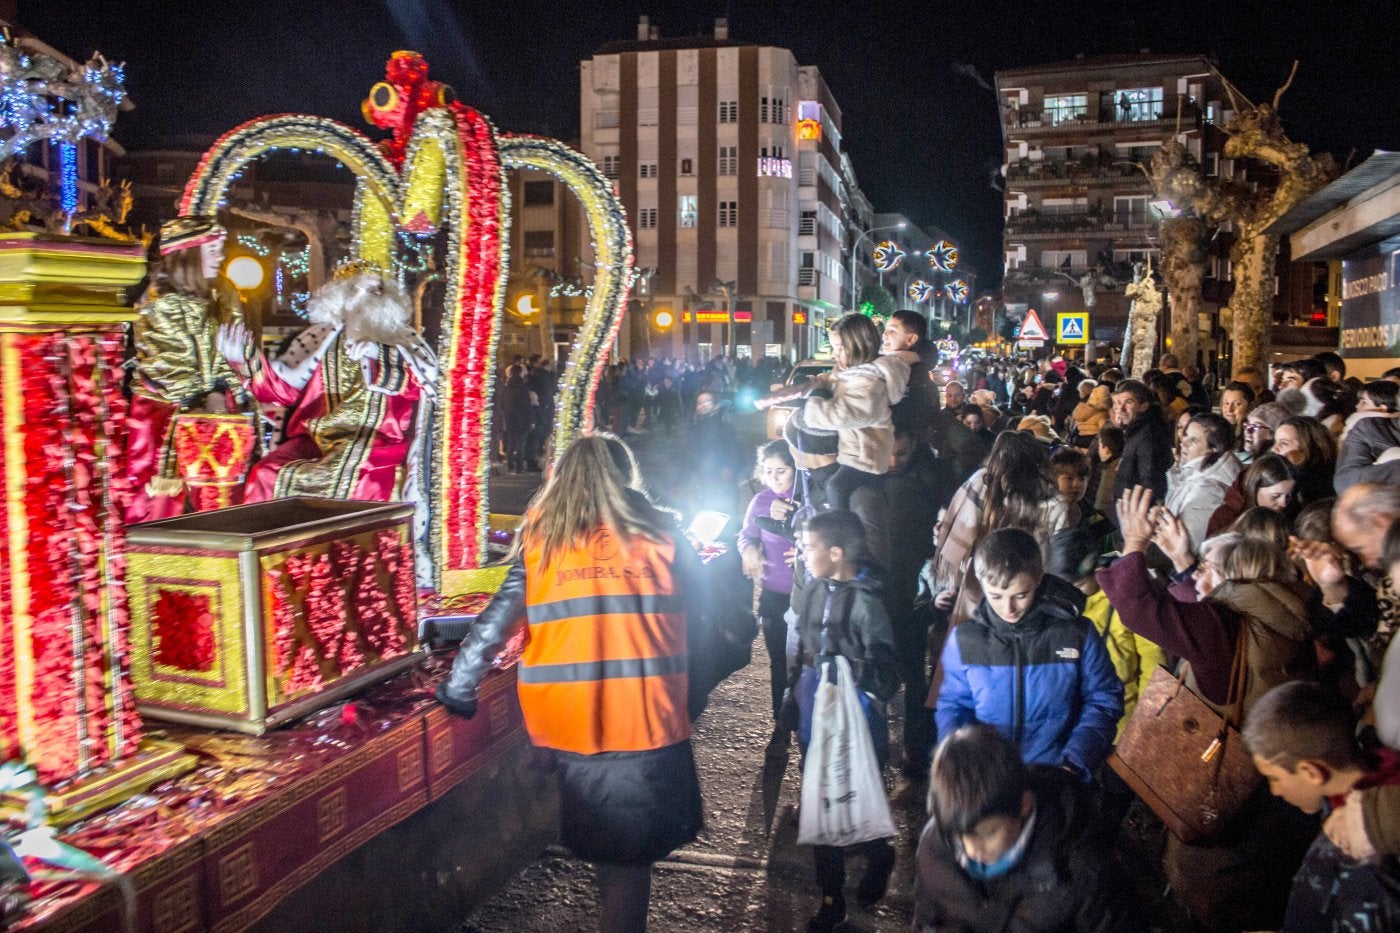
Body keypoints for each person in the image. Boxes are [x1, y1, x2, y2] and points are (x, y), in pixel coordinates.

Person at [436, 434, 703, 932]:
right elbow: (705, 613)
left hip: (568, 729)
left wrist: (460, 688)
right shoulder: (662, 536)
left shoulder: (542, 545)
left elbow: (494, 625)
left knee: (613, 853)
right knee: (628, 861)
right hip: (646, 722)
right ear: (625, 480)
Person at [1099, 489, 1320, 932]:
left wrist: (1134, 545)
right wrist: (1184, 559)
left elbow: (1141, 606)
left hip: (1220, 807)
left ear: (1233, 581)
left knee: (1221, 904)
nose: (1196, 579)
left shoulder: (1227, 630)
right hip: (1272, 805)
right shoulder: (1280, 616)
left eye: (1206, 571)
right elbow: (1204, 612)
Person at [217, 267, 437, 501]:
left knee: (356, 477)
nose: (377, 292)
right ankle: (279, 538)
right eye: (368, 288)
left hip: (377, 441)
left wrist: (379, 353)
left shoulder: (404, 341)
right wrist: (242, 359)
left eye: (380, 288)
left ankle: (345, 538)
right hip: (316, 441)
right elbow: (281, 390)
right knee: (265, 473)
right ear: (345, 297)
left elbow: (427, 385)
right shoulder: (319, 340)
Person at [780, 510, 898, 931]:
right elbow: (802, 646)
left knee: (848, 800)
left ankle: (878, 852)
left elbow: (886, 674)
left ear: (836, 552)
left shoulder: (867, 602)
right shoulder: (812, 588)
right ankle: (832, 901)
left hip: (853, 720)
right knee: (819, 808)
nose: (802, 554)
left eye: (809, 547)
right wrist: (795, 693)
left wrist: (850, 675)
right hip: (815, 708)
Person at [913, 725, 1138, 932]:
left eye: (988, 833)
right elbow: (927, 922)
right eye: (960, 837)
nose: (972, 851)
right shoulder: (935, 846)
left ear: (1024, 805)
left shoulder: (1081, 871)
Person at [935, 528, 1122, 778]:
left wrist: (1075, 762)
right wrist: (957, 758)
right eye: (996, 596)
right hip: (991, 778)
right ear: (981, 581)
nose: (1008, 608)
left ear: (1038, 578)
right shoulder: (966, 640)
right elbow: (954, 704)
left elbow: (1103, 699)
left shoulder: (1076, 634)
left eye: (1020, 595)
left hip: (1056, 775)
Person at [1243, 681, 1400, 933]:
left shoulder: (1369, 860)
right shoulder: (1378, 769)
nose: (1275, 791)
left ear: (1311, 772)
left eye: (1275, 778)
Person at [127, 216, 247, 521]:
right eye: (213, 249)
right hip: (166, 417)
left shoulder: (222, 293)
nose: (221, 256)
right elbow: (171, 367)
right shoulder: (159, 302)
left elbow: (234, 348)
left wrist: (226, 389)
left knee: (222, 498)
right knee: (165, 499)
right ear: (189, 254)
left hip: (218, 412)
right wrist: (211, 397)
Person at [930, 431, 1069, 629]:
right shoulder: (1054, 502)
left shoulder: (982, 484)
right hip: (1029, 592)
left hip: (982, 588)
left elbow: (957, 536)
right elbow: (1058, 557)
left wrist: (949, 588)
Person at [799, 313, 909, 511]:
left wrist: (816, 395)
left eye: (840, 348)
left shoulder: (870, 384)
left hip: (866, 460)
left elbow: (835, 415)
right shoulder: (852, 376)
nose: (835, 354)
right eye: (833, 348)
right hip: (853, 456)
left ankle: (842, 536)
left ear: (860, 345)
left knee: (836, 489)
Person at [738, 440, 798, 725]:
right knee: (779, 663)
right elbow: (746, 535)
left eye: (781, 471)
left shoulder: (808, 499)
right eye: (768, 470)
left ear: (796, 469)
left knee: (805, 665)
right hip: (773, 595)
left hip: (806, 596)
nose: (774, 477)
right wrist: (749, 549)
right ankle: (781, 723)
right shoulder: (760, 501)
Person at [1164, 412, 1241, 550]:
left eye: (1193, 440)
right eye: (1186, 435)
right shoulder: (1194, 474)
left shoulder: (1208, 489)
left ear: (1213, 449)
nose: (1183, 442)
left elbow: (1188, 543)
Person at [882, 309, 938, 443]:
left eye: (892, 331)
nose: (884, 335)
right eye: (885, 329)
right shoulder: (889, 364)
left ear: (911, 339)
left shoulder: (913, 377)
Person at [1273, 415, 1337, 504]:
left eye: (1284, 443)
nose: (1274, 449)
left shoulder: (1318, 489)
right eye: (1275, 442)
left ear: (1308, 448)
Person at [499, 364, 534, 474]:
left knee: (511, 442)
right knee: (521, 443)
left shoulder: (506, 388)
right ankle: (519, 466)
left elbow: (502, 404)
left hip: (510, 418)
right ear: (520, 372)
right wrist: (531, 419)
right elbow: (527, 405)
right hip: (522, 418)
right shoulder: (523, 387)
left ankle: (510, 465)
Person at [1219, 381, 1256, 450]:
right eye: (1226, 403)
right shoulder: (1216, 431)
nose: (1229, 409)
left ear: (1250, 406)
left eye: (1237, 404)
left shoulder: (1253, 434)